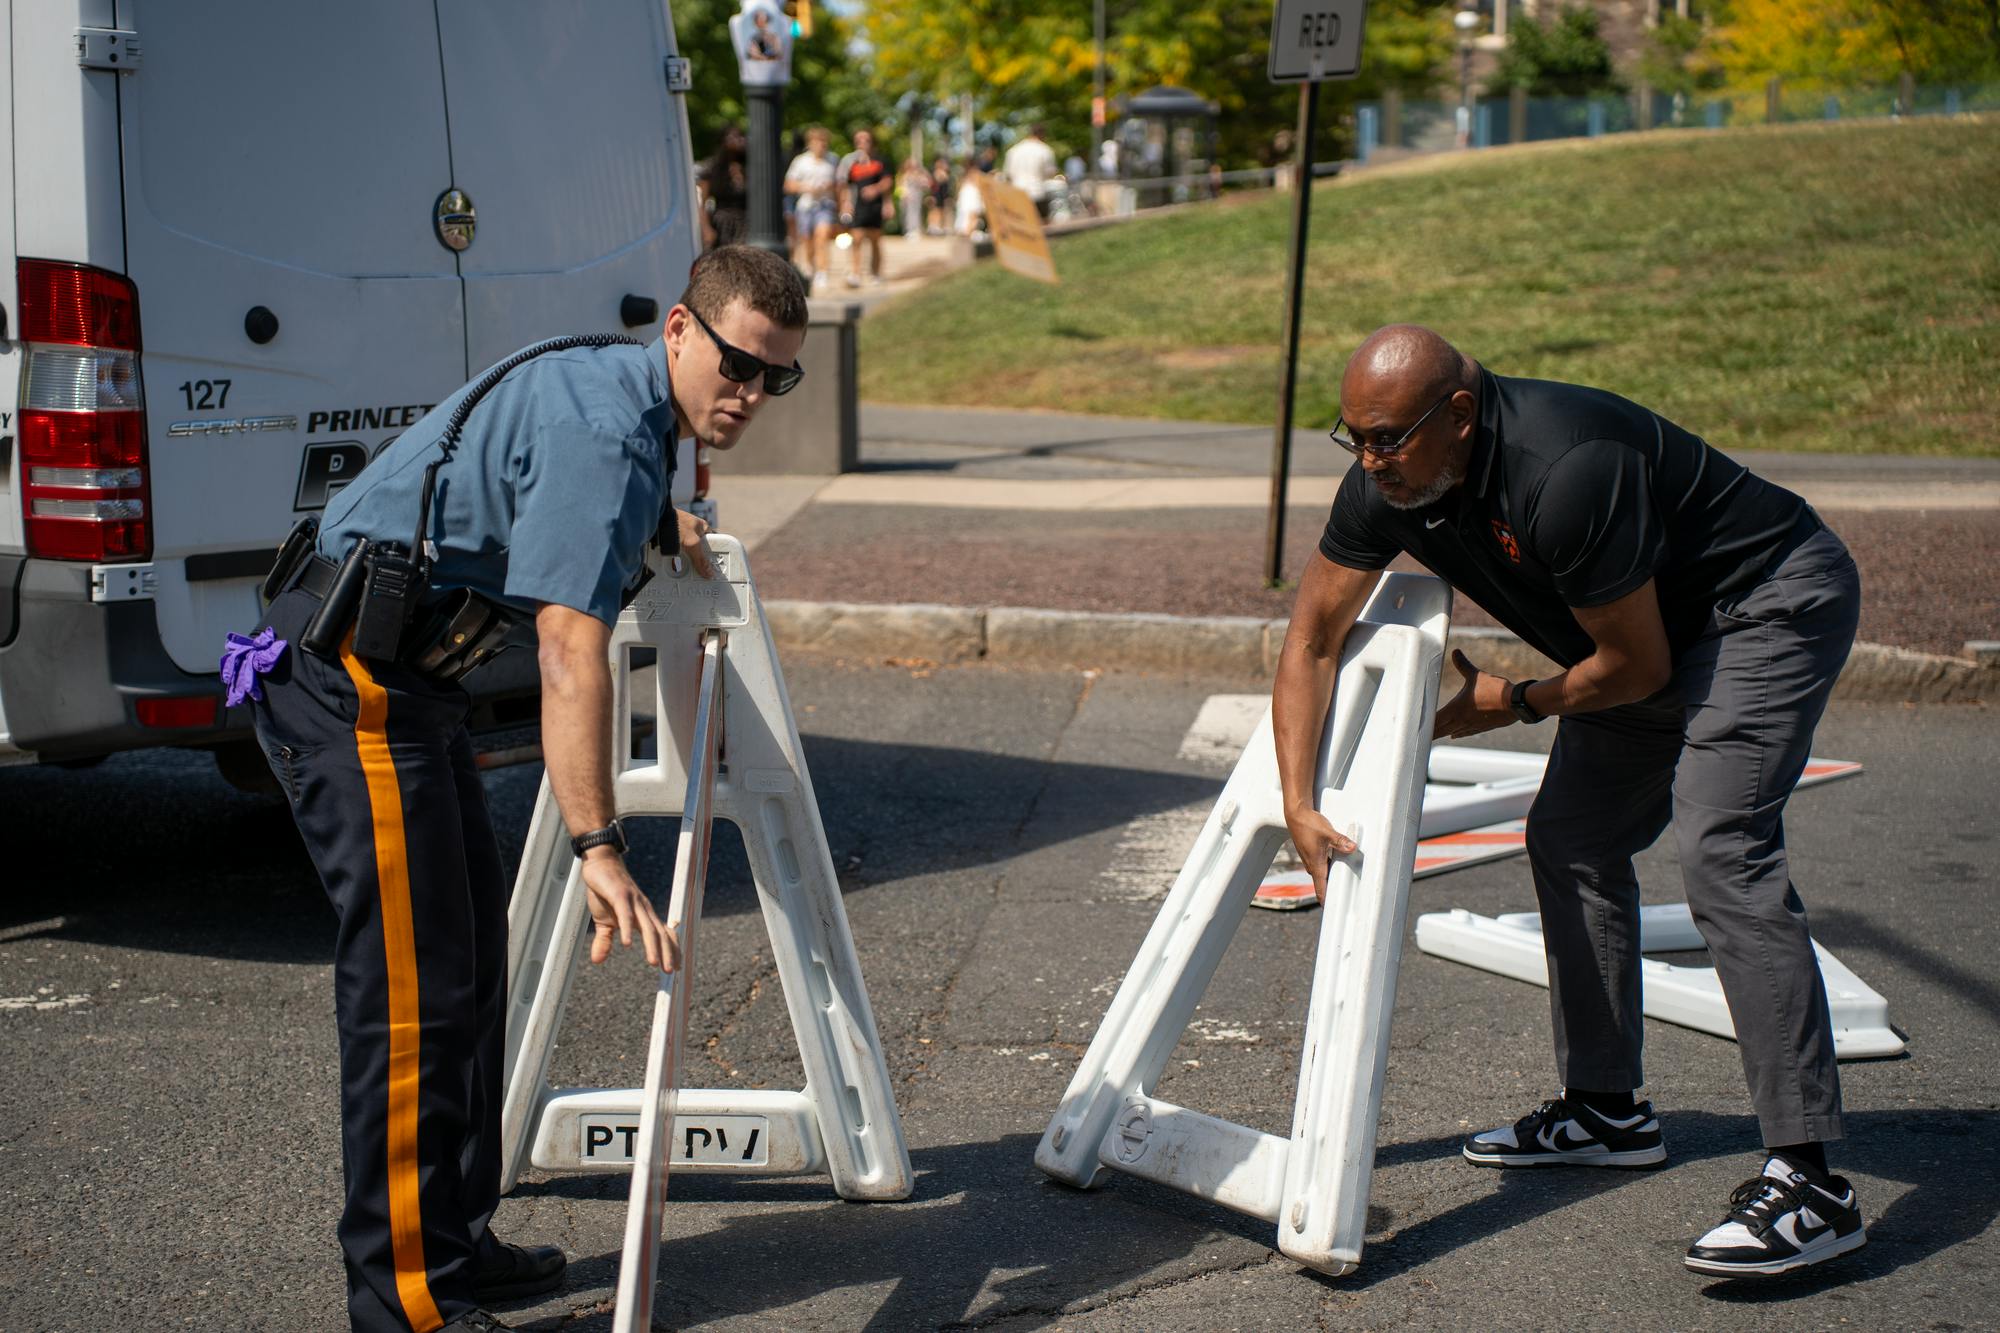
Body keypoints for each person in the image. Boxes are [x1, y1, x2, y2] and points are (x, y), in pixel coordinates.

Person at [232, 247, 809, 1332]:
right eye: (735, 362)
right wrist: (598, 844)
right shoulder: (608, 432)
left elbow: (542, 498)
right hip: (350, 686)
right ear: (680, 330)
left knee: (464, 978)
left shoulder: (623, 400)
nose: (747, 392)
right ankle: (408, 1299)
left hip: (410, 689)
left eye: (773, 377)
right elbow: (566, 652)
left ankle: (452, 1240)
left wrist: (657, 524)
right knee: (410, 1006)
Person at [1275, 324, 1867, 1280]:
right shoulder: (1388, 484)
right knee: (1571, 836)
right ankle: (1606, 1109)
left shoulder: (1564, 468)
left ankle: (1813, 1185)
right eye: (1354, 437)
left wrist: (1511, 702)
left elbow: (1635, 668)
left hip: (1761, 603)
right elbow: (1310, 638)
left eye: (1388, 437)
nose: (1371, 460)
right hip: (1651, 638)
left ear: (1460, 415)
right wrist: (1297, 803)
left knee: (1722, 851)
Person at [784, 126, 840, 289]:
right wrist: (806, 187)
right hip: (806, 205)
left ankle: (822, 272)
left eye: (824, 142)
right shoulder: (801, 161)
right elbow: (788, 185)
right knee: (807, 240)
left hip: (825, 204)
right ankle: (810, 267)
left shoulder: (833, 160)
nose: (821, 145)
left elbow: (840, 185)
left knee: (822, 236)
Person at [836, 127, 891, 287]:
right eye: (858, 140)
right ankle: (855, 273)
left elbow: (887, 182)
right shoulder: (852, 164)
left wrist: (877, 191)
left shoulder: (880, 161)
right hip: (858, 207)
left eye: (865, 140)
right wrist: (845, 204)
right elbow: (845, 186)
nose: (862, 143)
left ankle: (876, 273)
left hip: (875, 207)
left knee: (875, 240)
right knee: (857, 239)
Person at [699, 125, 749, 251]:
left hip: (746, 221)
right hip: (723, 223)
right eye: (734, 137)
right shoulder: (712, 168)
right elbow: (702, 203)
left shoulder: (748, 167)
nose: (739, 140)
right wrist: (706, 229)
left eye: (741, 136)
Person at [1002, 123, 1058, 219]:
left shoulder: (1013, 151)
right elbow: (1050, 173)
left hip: (1018, 193)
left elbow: (1008, 175)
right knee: (1042, 226)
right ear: (1042, 134)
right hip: (1038, 192)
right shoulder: (1045, 150)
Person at [899, 155, 931, 239]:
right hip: (908, 198)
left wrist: (923, 172)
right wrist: (904, 194)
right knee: (908, 215)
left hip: (916, 197)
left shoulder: (919, 175)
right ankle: (909, 230)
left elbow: (927, 184)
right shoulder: (904, 175)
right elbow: (902, 186)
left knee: (916, 214)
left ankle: (915, 230)